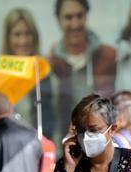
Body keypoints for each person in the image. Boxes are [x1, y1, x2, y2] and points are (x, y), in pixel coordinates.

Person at [45, 0, 117, 145]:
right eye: (68, 17)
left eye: (79, 16)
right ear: (58, 19)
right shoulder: (52, 61)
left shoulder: (108, 55)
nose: (75, 24)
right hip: (66, 140)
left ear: (86, 16)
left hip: (101, 139)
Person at [1, 8, 42, 127]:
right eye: (17, 34)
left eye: (27, 33)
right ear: (8, 38)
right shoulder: (0, 76)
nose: (22, 41)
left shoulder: (44, 72)